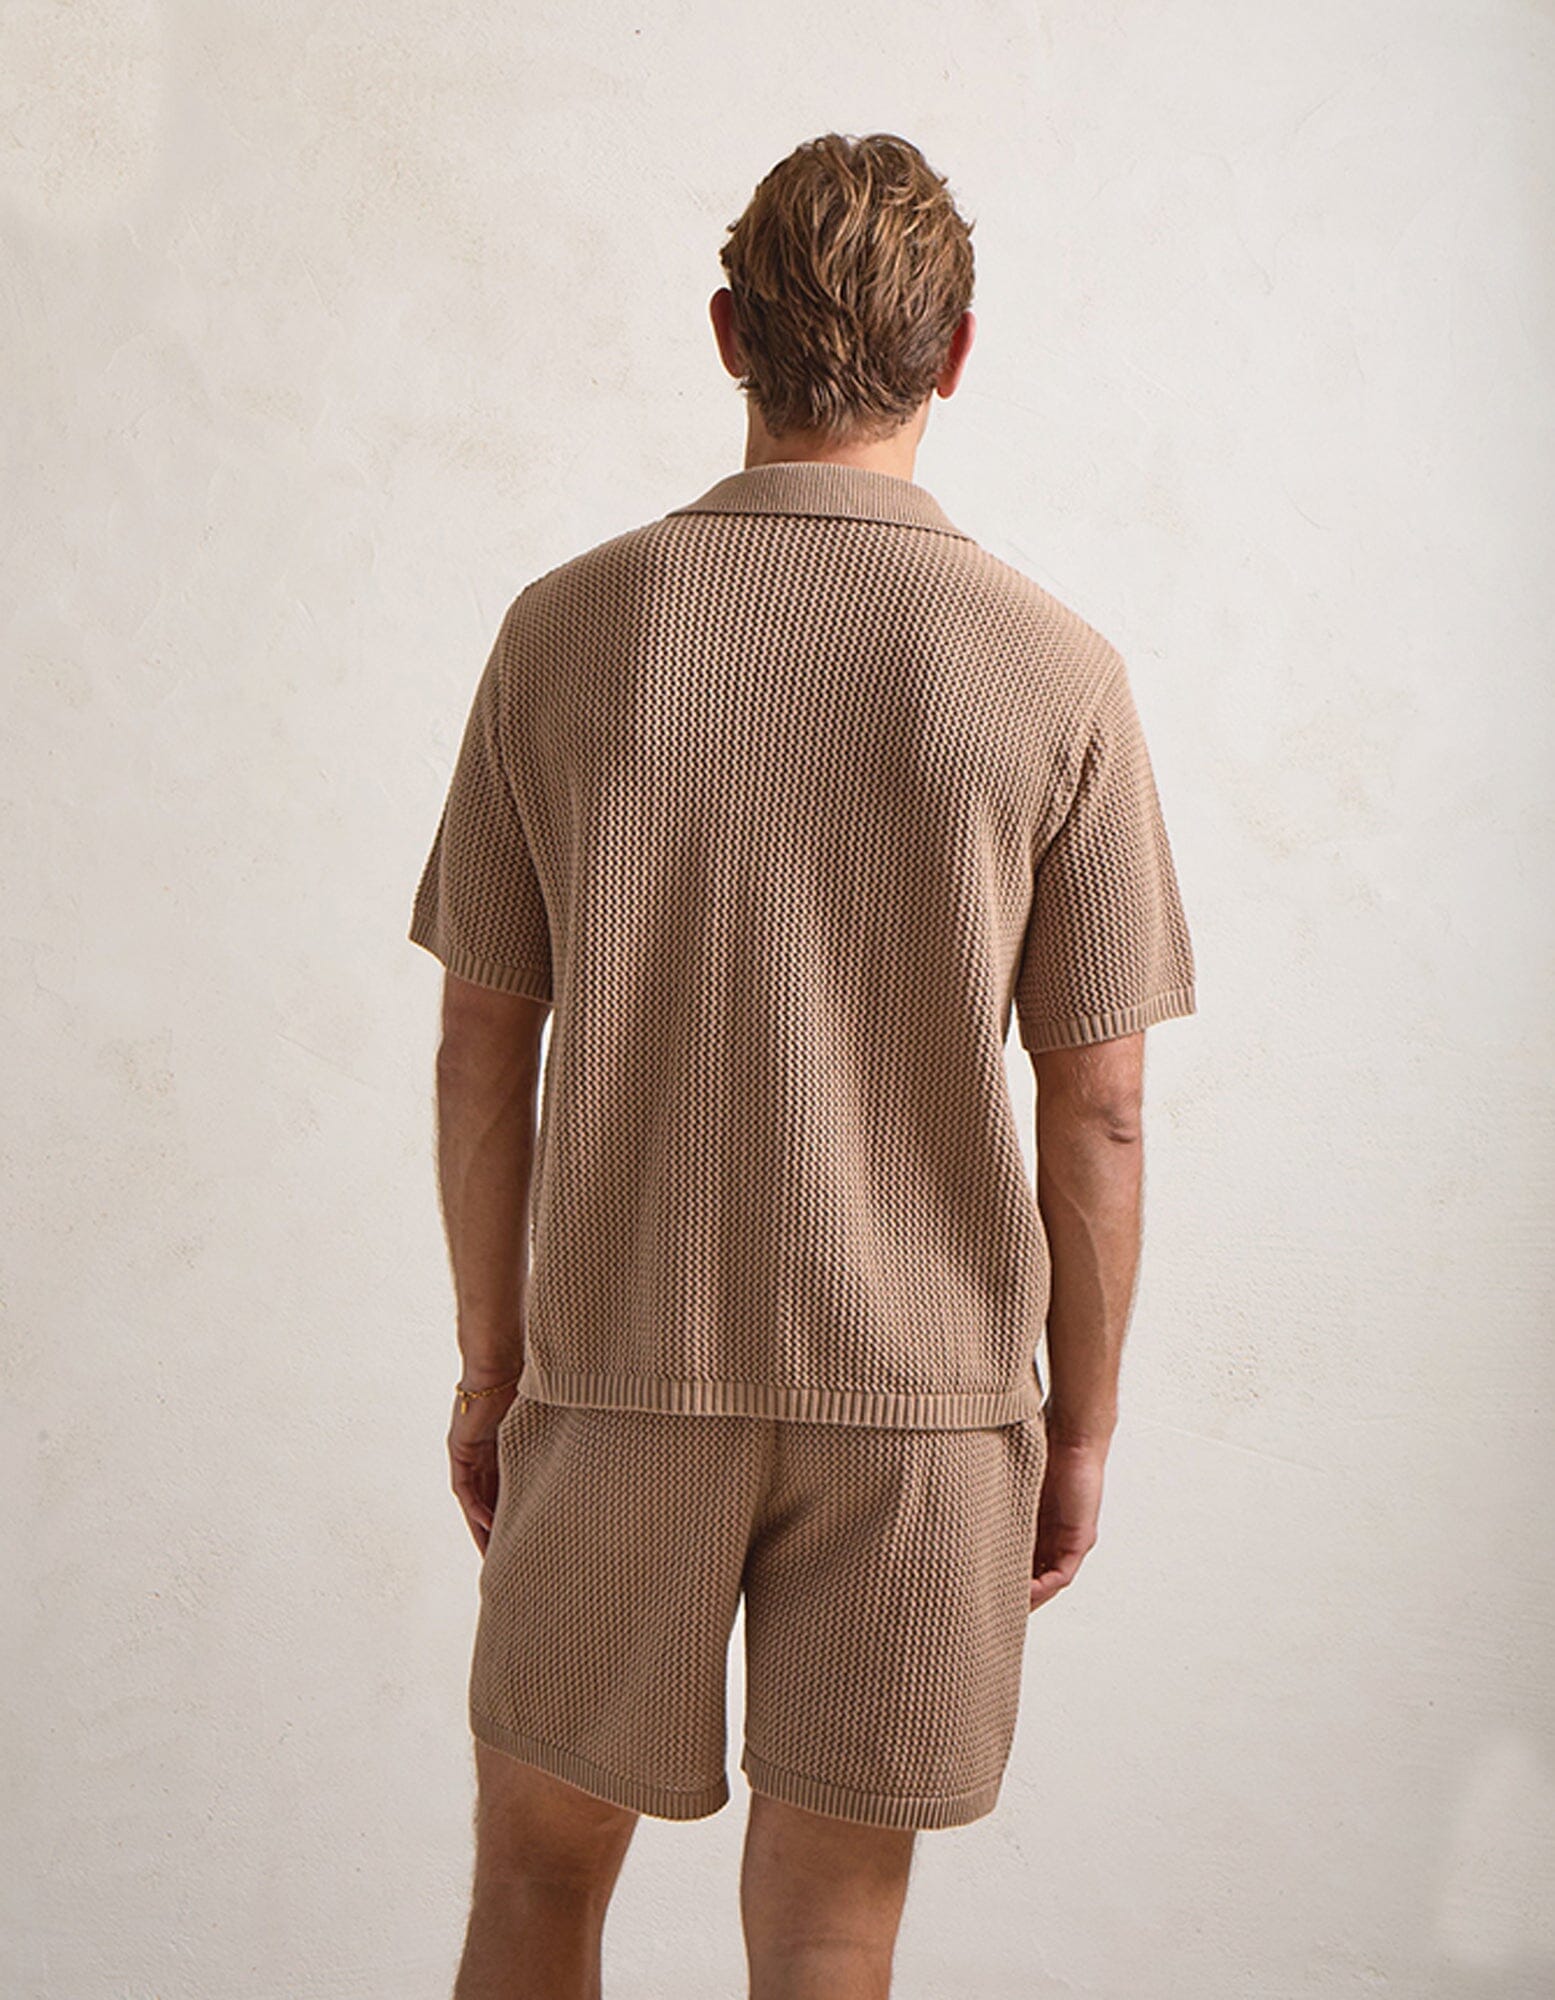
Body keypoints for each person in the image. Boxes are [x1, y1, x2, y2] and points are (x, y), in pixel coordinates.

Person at [409, 130, 1197, 2000]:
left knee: (534, 1884)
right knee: (833, 1929)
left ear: (727, 334)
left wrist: (497, 1371)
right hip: (923, 1406)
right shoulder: (1055, 668)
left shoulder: (567, 631)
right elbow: (1098, 1105)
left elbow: (480, 1045)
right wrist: (1080, 1424)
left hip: (621, 1370)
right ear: (956, 353)